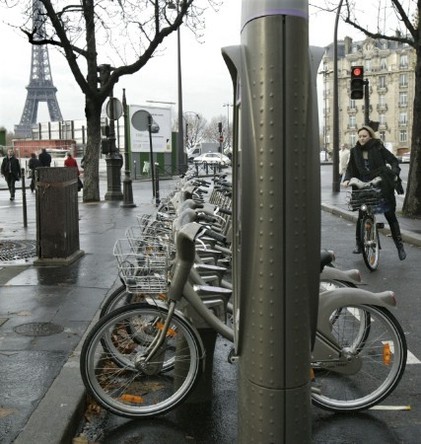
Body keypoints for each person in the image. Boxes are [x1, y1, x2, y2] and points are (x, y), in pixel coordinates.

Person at [343, 125, 406, 260]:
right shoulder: (354, 151)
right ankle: (359, 245)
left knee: (390, 214)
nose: (361, 139)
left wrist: (393, 174)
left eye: (364, 136)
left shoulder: (378, 147)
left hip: (380, 183)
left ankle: (399, 246)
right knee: (362, 214)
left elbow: (393, 161)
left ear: (370, 136)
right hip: (363, 185)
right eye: (360, 136)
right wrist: (347, 179)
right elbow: (350, 168)